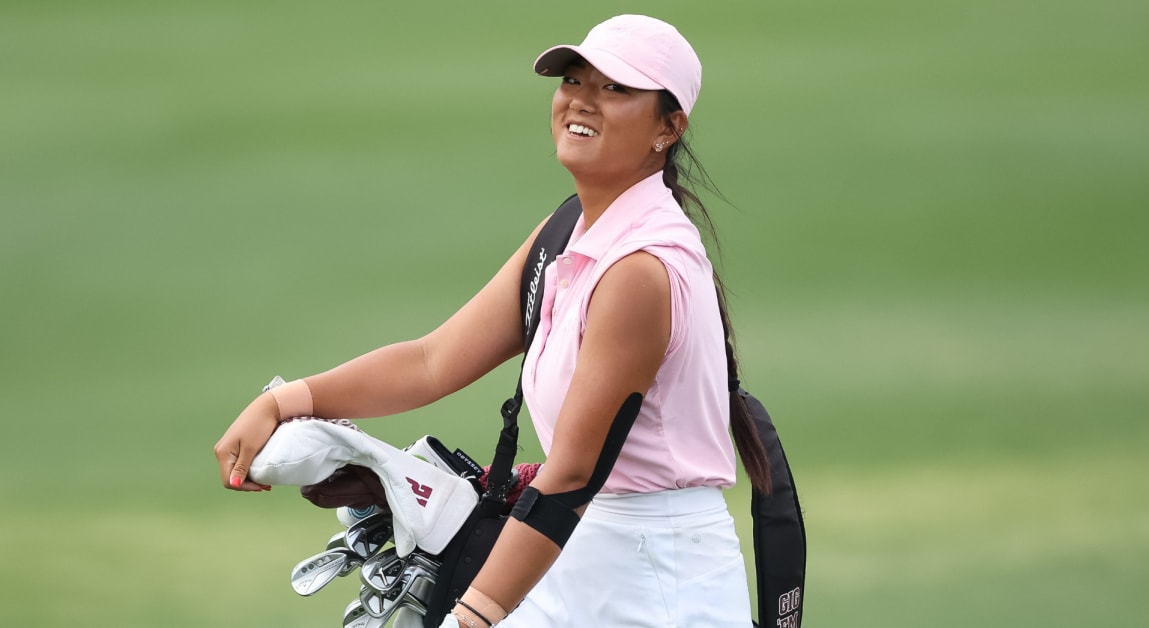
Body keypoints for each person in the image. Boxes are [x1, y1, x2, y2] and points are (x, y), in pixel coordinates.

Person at [214, 14, 771, 627]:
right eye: (574, 81)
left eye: (616, 89)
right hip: (571, 555)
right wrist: (286, 401)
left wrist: (472, 616)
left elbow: (571, 476)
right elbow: (433, 361)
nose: (582, 100)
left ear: (669, 127)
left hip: (656, 583)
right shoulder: (569, 233)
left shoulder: (639, 271)